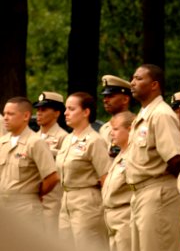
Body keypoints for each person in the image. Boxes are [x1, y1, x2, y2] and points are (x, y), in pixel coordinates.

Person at [126, 64, 180, 251]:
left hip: (157, 193)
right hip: (139, 194)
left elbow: (176, 160)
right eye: (133, 78)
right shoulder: (144, 115)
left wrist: (165, 190)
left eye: (139, 78)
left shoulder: (161, 115)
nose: (132, 83)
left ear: (154, 85)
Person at [56, 92, 111, 251]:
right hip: (66, 200)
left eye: (71, 109)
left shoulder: (95, 140)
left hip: (87, 202)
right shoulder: (67, 139)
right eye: (66, 108)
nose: (66, 113)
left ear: (86, 112)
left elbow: (106, 177)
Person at [0, 97, 59, 226]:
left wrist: (34, 193)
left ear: (26, 116)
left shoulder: (35, 142)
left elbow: (52, 177)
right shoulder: (2, 142)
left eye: (10, 114)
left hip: (25, 208)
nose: (5, 118)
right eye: (4, 113)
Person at [33, 91, 69, 234]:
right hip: (33, 199)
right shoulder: (33, 137)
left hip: (52, 200)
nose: (39, 113)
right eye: (38, 109)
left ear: (57, 113)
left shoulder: (63, 137)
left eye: (44, 109)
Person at [102, 111, 136, 251]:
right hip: (111, 217)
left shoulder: (134, 155)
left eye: (116, 129)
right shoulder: (120, 154)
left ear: (130, 129)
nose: (111, 133)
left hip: (125, 216)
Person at [99, 75, 132, 158]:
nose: (105, 100)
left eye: (110, 96)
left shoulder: (134, 125)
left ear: (125, 99)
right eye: (105, 96)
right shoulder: (104, 128)